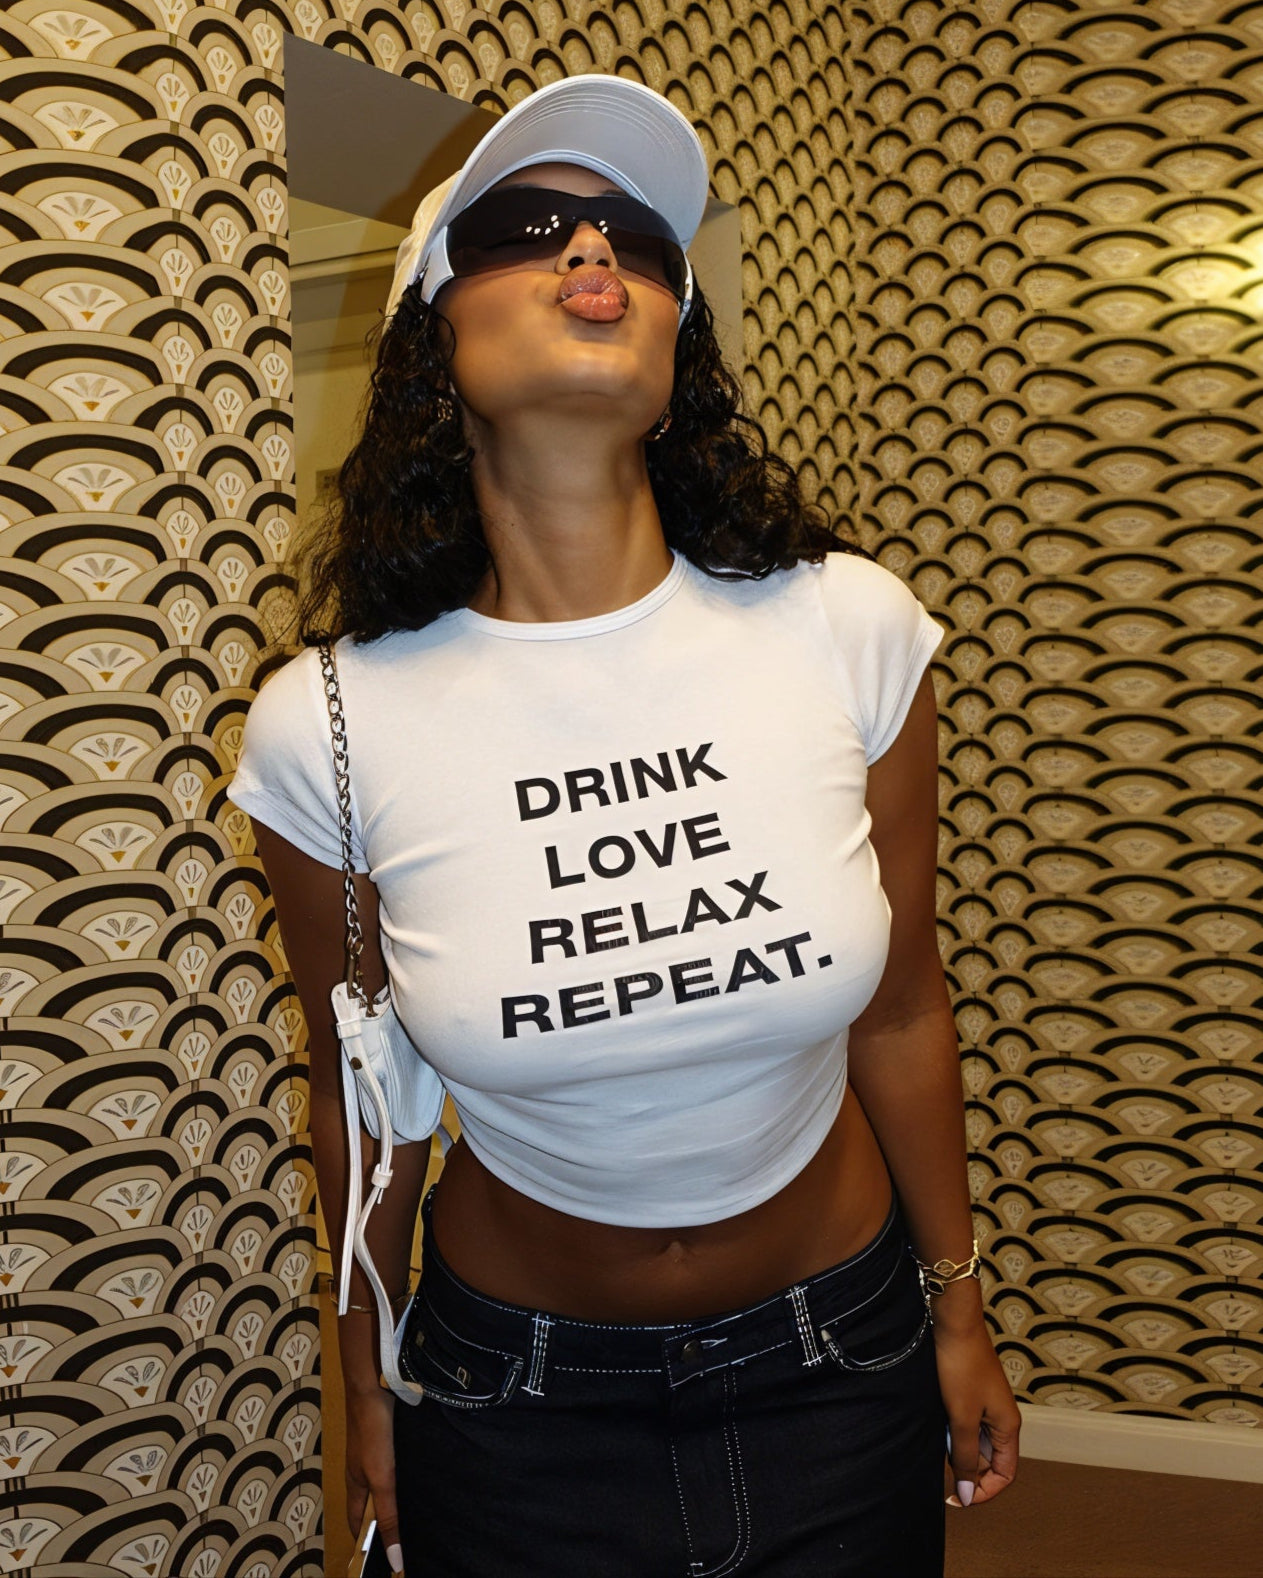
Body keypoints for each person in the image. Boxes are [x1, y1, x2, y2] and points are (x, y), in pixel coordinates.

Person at [229, 73, 1020, 1578]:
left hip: (840, 1354)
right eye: (530, 229)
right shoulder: (327, 723)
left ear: (676, 339)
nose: (596, 252)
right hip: (513, 1396)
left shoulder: (848, 629)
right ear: (433, 336)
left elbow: (907, 1006)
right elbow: (361, 1099)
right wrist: (365, 1383)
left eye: (639, 242)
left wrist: (959, 1308)